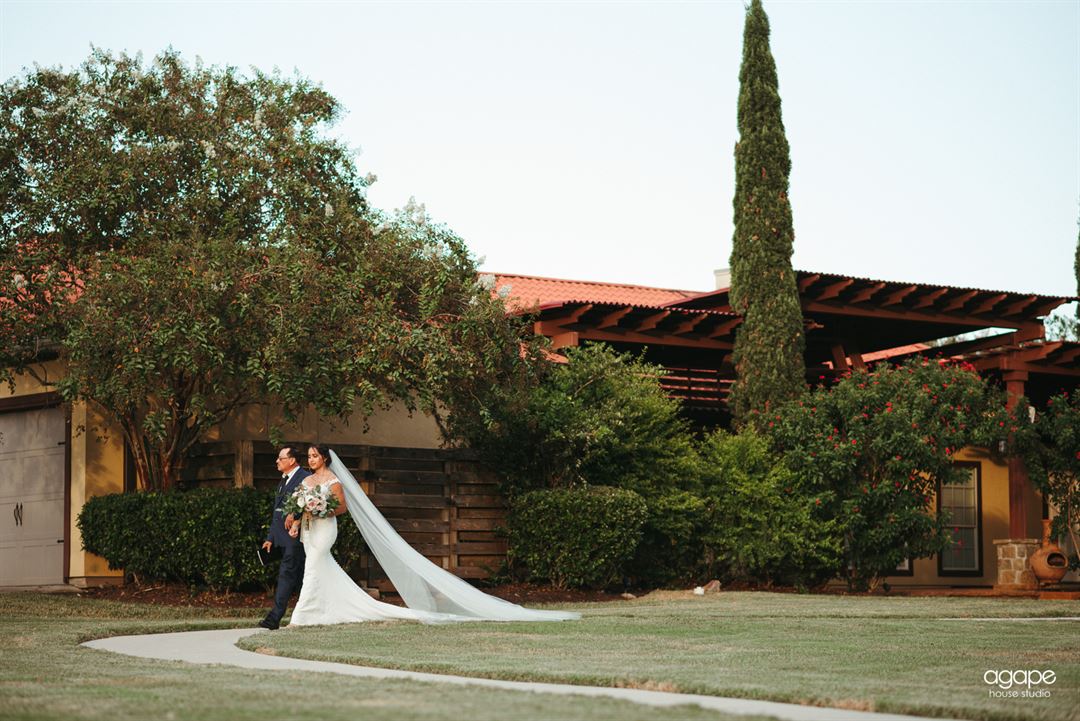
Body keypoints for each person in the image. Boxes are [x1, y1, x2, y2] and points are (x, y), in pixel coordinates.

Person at [285, 444, 578, 625]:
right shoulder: (307, 481)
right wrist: (297, 517)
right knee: (320, 568)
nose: (311, 460)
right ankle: (327, 610)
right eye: (309, 456)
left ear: (325, 458)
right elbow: (298, 505)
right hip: (309, 531)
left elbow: (341, 508)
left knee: (314, 567)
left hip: (325, 530)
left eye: (315, 456)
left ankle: (302, 615)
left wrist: (320, 510)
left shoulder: (333, 481)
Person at [258, 445, 311, 630]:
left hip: (295, 537)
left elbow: (309, 505)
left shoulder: (305, 478)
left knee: (286, 574)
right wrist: (270, 538)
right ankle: (307, 615)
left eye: (280, 458)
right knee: (300, 577)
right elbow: (277, 512)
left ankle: (275, 617)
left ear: (292, 460)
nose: (277, 461)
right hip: (281, 537)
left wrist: (295, 516)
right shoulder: (284, 479)